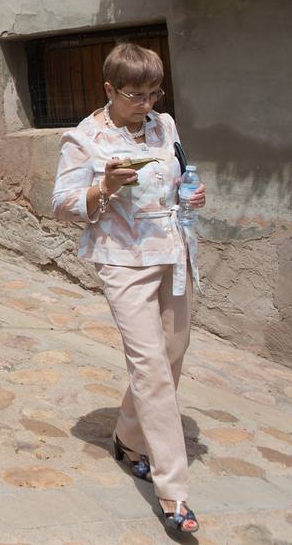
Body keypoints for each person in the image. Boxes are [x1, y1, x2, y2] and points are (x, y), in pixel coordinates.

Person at [52, 43, 206, 535]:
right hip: (122, 258)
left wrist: (192, 193)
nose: (145, 103)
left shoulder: (165, 125)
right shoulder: (85, 138)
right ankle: (173, 492)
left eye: (153, 92)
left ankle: (126, 436)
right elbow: (62, 203)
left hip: (172, 251)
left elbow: (177, 174)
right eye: (134, 94)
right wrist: (105, 188)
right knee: (151, 366)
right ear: (109, 89)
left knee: (173, 353)